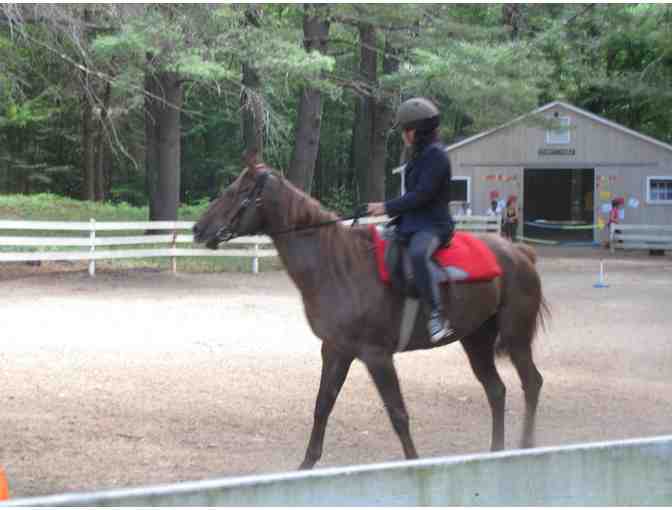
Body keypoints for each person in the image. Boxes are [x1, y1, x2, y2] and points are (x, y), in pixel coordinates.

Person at [367, 97, 454, 342]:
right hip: (413, 222)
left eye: (405, 129)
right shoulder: (418, 156)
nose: (403, 135)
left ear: (417, 131)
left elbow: (422, 195)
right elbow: (412, 197)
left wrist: (386, 207)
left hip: (434, 225)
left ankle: (436, 316)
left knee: (417, 254)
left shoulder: (437, 156)